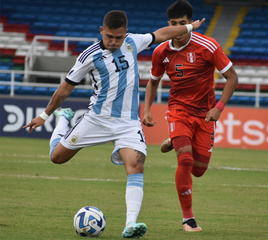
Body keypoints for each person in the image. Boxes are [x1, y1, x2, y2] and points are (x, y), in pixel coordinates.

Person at [23, 10, 205, 238]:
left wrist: (189, 28)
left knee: (136, 165)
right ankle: (64, 119)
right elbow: (66, 88)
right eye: (109, 36)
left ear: (125, 34)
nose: (114, 42)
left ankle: (130, 225)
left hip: (128, 123)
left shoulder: (133, 42)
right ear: (102, 31)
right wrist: (45, 115)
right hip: (96, 120)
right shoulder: (88, 56)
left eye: (118, 37)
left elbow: (162, 33)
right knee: (56, 158)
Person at [142, 0, 238, 232]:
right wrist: (146, 109)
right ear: (168, 24)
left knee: (198, 170)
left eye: (182, 23)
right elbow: (153, 83)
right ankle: (188, 220)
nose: (177, 29)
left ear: (190, 23)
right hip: (178, 111)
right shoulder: (161, 51)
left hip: (205, 115)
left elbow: (232, 77)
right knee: (184, 160)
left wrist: (219, 107)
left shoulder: (208, 46)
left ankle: (176, 141)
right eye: (173, 24)